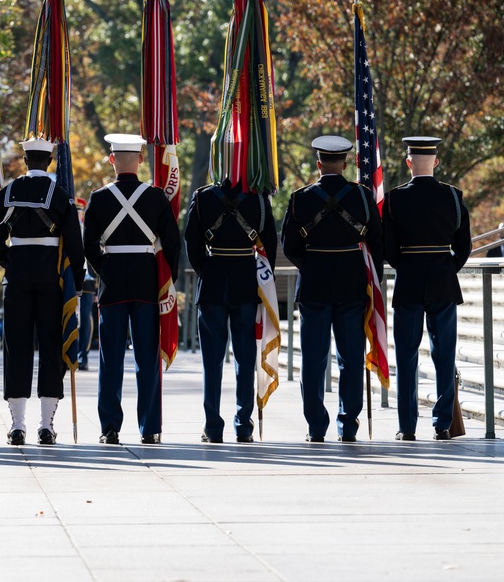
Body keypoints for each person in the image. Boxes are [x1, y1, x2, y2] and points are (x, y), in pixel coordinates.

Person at [280, 136, 382, 443]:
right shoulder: (362, 197)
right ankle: (347, 424)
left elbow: (291, 246)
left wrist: (312, 264)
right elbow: (377, 242)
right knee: (351, 358)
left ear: (319, 163)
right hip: (352, 284)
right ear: (346, 163)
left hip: (314, 284)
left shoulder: (301, 198)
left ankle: (315, 426)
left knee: (313, 359)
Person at [82, 134, 181, 445]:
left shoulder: (98, 198)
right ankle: (150, 427)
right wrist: (166, 278)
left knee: (110, 359)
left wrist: (105, 271)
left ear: (112, 159)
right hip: (146, 282)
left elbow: (89, 247)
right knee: (147, 359)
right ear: (140, 159)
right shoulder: (155, 197)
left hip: (112, 285)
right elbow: (174, 244)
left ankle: (110, 427)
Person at [0, 139, 85, 445]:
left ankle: (17, 425)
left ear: (26, 161)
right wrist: (76, 285)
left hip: (17, 277)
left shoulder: (8, 193)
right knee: (52, 346)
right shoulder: (60, 195)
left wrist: (10, 261)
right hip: (51, 279)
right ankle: (46, 424)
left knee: (17, 346)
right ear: (51, 161)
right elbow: (75, 246)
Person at [383, 136, 471, 441]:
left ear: (409, 163)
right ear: (435, 162)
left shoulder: (394, 199)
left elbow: (389, 249)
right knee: (444, 354)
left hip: (408, 280)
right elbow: (464, 246)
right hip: (443, 282)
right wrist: (447, 268)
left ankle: (407, 426)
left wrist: (406, 265)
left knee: (407, 356)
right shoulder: (453, 196)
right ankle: (442, 423)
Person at [184, 178, 277, 443]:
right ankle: (243, 425)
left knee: (212, 361)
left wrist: (208, 270)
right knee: (245, 359)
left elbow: (192, 240)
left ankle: (213, 427)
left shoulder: (203, 197)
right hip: (246, 279)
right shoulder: (258, 197)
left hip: (214, 278)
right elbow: (270, 242)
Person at [75, 198, 98, 372]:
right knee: (70, 319)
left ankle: (83, 356)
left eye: (79, 210)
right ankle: (70, 354)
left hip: (88, 281)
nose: (77, 213)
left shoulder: (88, 230)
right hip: (70, 278)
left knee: (86, 321)